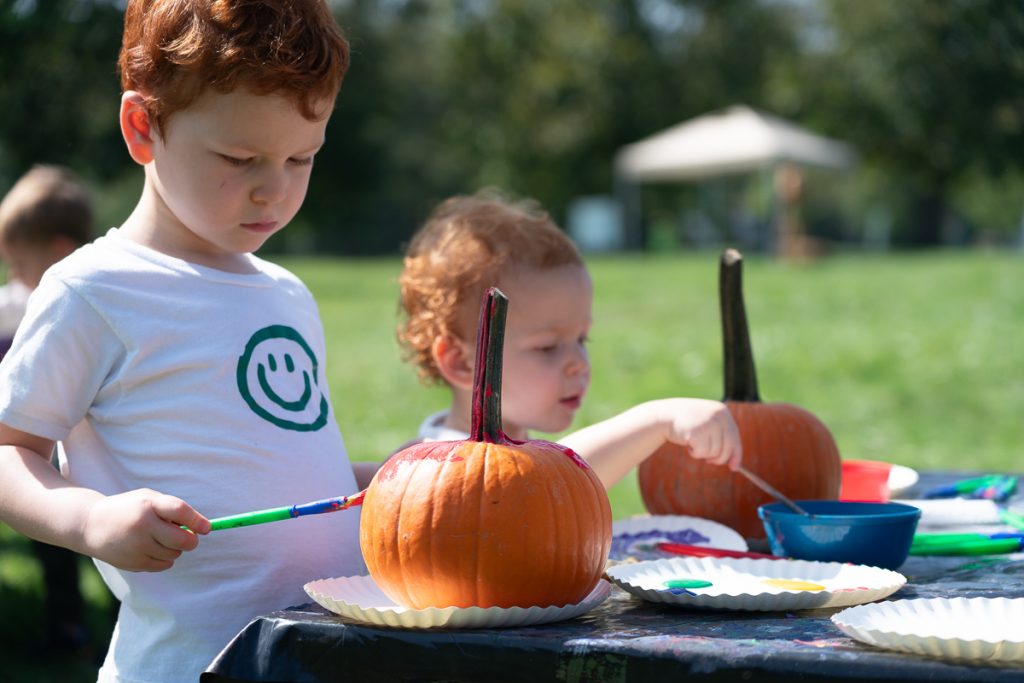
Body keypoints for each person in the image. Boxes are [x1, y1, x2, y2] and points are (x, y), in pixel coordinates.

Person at [0, 3, 370, 682]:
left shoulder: (287, 293)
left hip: (315, 656)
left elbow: (292, 469)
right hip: (181, 665)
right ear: (144, 127)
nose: (275, 189)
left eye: (301, 157)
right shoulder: (94, 290)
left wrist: (403, 480)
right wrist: (89, 519)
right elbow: (8, 450)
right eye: (240, 158)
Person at [397, 189, 742, 490]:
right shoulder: (438, 467)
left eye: (582, 338)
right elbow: (540, 489)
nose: (579, 361)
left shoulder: (518, 451)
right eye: (547, 347)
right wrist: (654, 422)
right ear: (461, 362)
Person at [0, 164, 99, 658]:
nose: (13, 279)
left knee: (69, 547)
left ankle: (73, 626)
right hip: (46, 460)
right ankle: (71, 624)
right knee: (58, 546)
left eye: (18, 265)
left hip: (65, 461)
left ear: (60, 252)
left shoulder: (62, 305)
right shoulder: (17, 302)